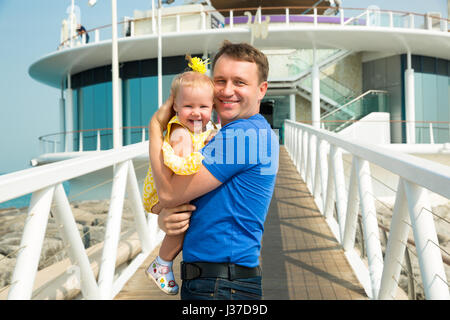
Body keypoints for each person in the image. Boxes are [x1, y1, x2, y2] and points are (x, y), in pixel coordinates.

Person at [149, 40, 279, 300]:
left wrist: (155, 126)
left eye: (240, 82)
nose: (227, 90)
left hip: (219, 285)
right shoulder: (239, 132)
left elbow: (170, 194)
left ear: (261, 89)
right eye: (220, 80)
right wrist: (165, 217)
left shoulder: (243, 135)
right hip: (223, 281)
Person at [142, 56, 216, 295]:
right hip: (161, 192)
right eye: (188, 107)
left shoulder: (195, 129)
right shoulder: (180, 134)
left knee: (183, 221)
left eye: (203, 107)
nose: (196, 113)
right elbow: (181, 168)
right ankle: (162, 264)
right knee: (181, 223)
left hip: (168, 188)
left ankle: (164, 263)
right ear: (174, 105)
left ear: (212, 107)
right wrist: (204, 155)